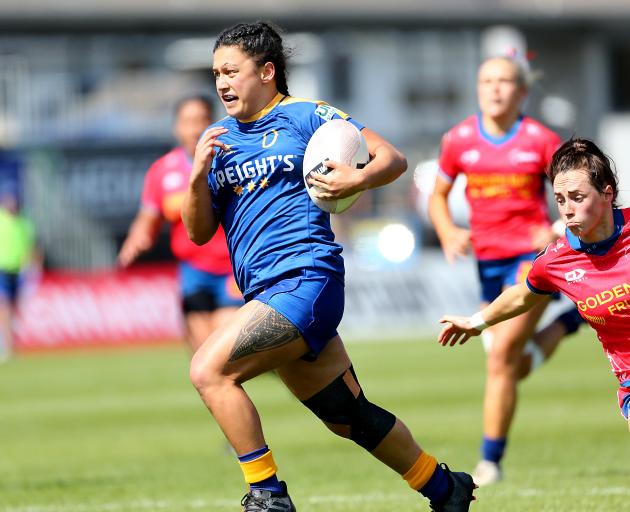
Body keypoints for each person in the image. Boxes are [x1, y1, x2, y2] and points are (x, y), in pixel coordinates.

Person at [181, 21, 476, 512]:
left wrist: (353, 178)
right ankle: (444, 488)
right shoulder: (217, 141)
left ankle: (267, 494)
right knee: (348, 416)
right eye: (216, 74)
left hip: (305, 281)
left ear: (268, 71)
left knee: (208, 371)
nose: (222, 83)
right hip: (268, 293)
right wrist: (196, 176)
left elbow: (392, 157)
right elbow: (196, 232)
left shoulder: (304, 116)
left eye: (232, 71)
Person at [428, 55, 584, 486]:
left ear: (522, 92)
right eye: (487, 81)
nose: (495, 88)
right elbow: (438, 196)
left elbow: (573, 189)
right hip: (488, 263)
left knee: (499, 357)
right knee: (511, 362)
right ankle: (574, 319)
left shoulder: (541, 139)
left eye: (504, 82)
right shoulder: (458, 139)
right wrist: (446, 230)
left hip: (531, 260)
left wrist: (555, 225)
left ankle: (489, 462)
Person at [438, 137, 630, 433]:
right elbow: (521, 296)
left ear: (607, 194)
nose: (567, 209)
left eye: (578, 197)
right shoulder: (555, 260)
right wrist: (474, 323)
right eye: (560, 199)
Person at [118, 96, 243, 352]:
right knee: (202, 350)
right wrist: (138, 236)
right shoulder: (162, 171)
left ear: (214, 122)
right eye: (188, 121)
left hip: (232, 268)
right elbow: (148, 218)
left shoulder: (230, 161)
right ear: (177, 127)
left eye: (201, 120)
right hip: (193, 271)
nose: (195, 129)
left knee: (226, 348)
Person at [0, 190, 37, 361]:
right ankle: (7, 346)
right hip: (2, 269)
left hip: (20, 270)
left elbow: (32, 246)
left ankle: (9, 341)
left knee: (15, 308)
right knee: (5, 306)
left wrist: (31, 268)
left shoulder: (24, 221)